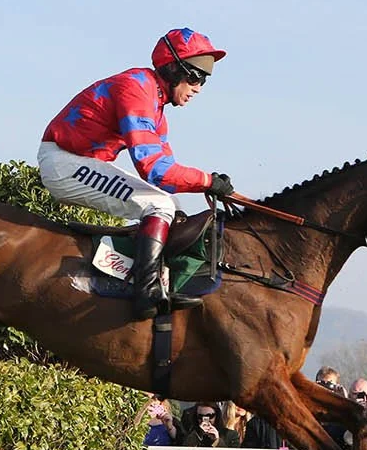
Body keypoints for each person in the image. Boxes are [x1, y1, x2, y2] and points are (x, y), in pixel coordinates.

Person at [36, 27, 236, 318]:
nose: (198, 87)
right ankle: (146, 292)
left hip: (84, 162)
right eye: (195, 76)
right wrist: (207, 181)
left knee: (172, 207)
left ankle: (159, 280)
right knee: (159, 205)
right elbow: (155, 169)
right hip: (64, 163)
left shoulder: (156, 106)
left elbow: (166, 179)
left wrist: (207, 183)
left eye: (205, 80)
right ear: (172, 69)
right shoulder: (137, 88)